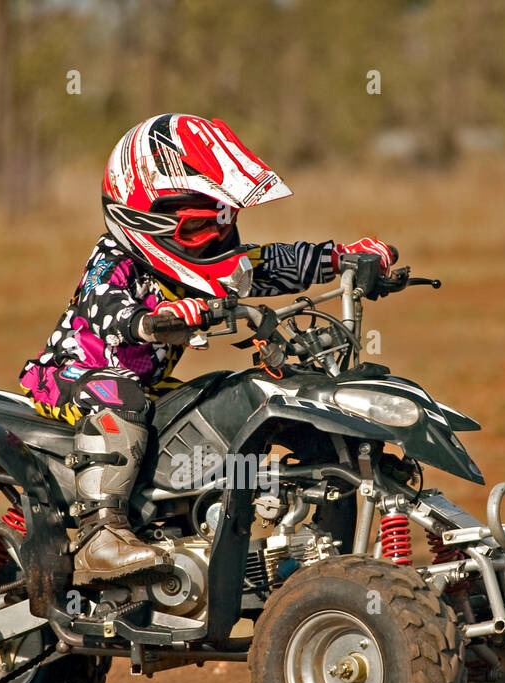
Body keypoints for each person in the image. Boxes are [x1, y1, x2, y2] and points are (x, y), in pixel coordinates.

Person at [20, 113, 394, 585]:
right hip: (72, 376)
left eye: (224, 224)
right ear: (143, 218)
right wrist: (153, 321)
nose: (216, 240)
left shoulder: (207, 263)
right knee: (123, 398)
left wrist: (341, 259)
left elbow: (270, 263)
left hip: (149, 383)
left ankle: (204, 521)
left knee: (221, 401)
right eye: (200, 230)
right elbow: (107, 311)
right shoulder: (112, 262)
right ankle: (100, 534)